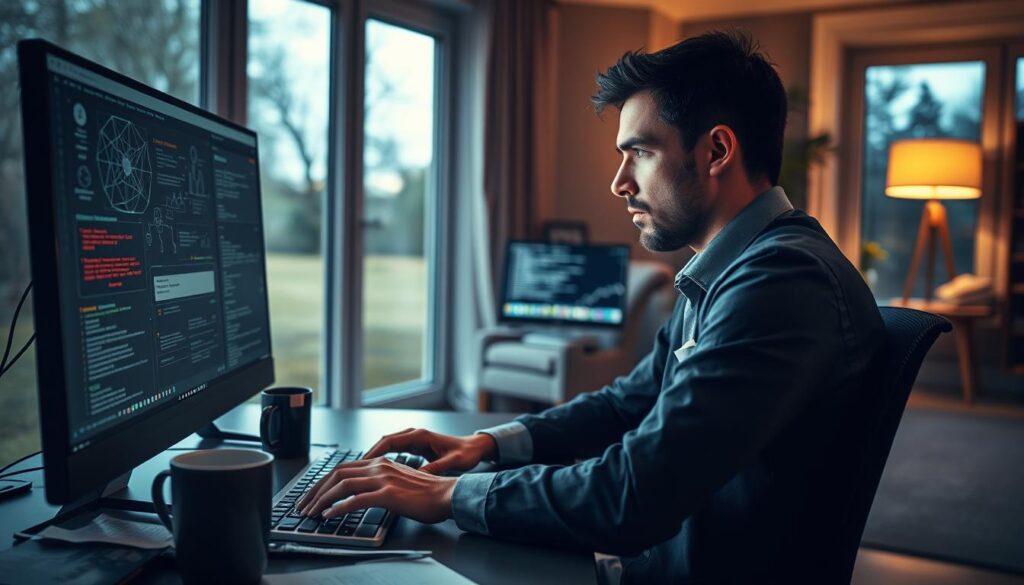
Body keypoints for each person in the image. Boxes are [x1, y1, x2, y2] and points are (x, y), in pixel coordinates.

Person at [298, 31, 884, 583]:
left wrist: (447, 495)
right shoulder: (733, 269)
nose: (619, 182)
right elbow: (628, 402)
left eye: (640, 153)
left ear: (717, 150)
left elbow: (635, 495)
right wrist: (489, 445)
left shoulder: (781, 280)